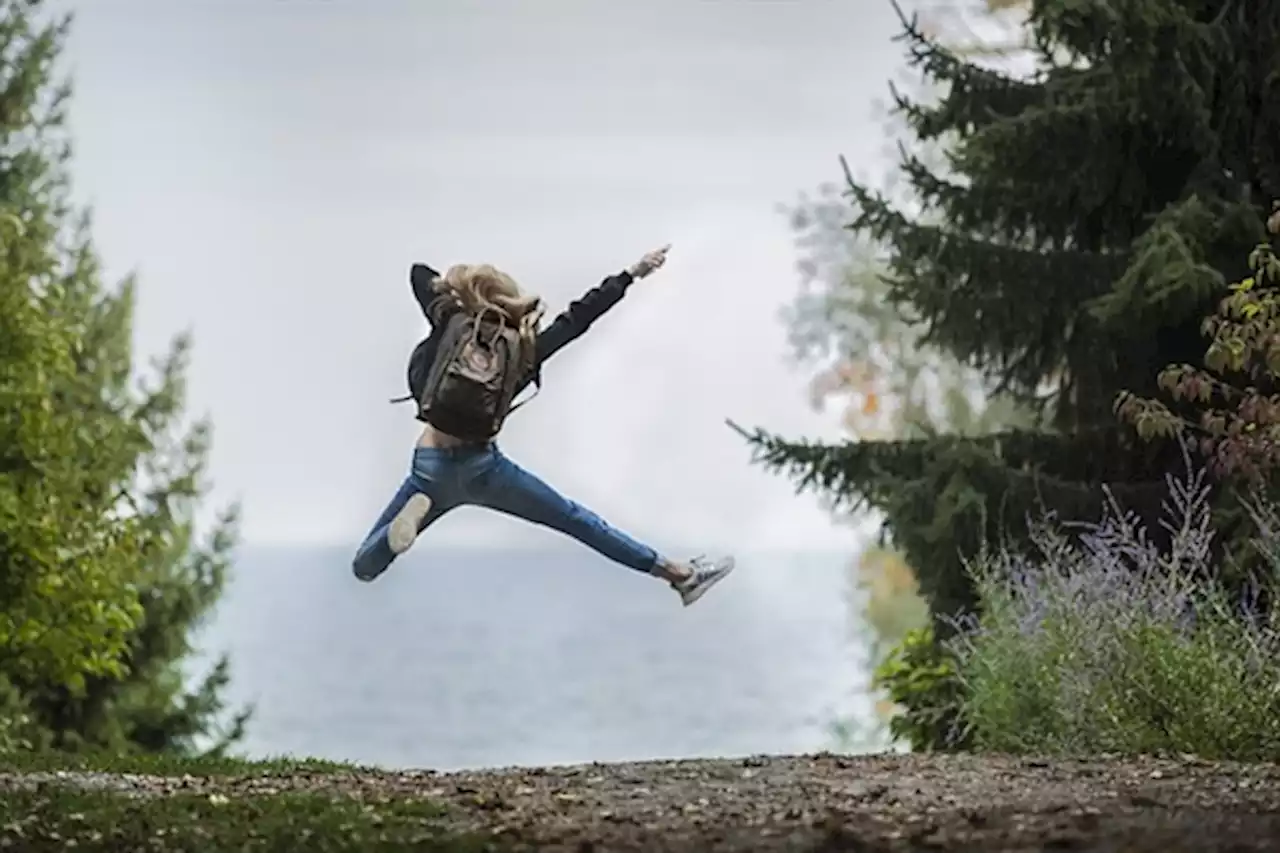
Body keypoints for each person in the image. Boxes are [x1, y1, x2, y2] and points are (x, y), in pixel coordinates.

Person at [351, 245, 735, 607]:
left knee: (364, 567)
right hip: (484, 470)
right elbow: (579, 318)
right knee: (576, 521)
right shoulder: (524, 348)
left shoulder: (450, 322)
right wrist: (631, 274)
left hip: (430, 467)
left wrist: (456, 293)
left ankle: (398, 532)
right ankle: (680, 575)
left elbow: (419, 273)